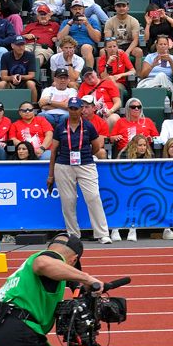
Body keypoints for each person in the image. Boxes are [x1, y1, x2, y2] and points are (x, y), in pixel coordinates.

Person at [51, 97, 112, 243]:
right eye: (71, 108)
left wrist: (85, 155)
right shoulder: (60, 127)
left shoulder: (89, 126)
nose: (73, 111)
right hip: (64, 165)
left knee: (93, 197)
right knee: (68, 201)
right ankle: (73, 234)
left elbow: (96, 147)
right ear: (68, 109)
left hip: (86, 164)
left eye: (76, 108)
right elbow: (54, 151)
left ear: (81, 109)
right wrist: (50, 175)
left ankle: (102, 233)